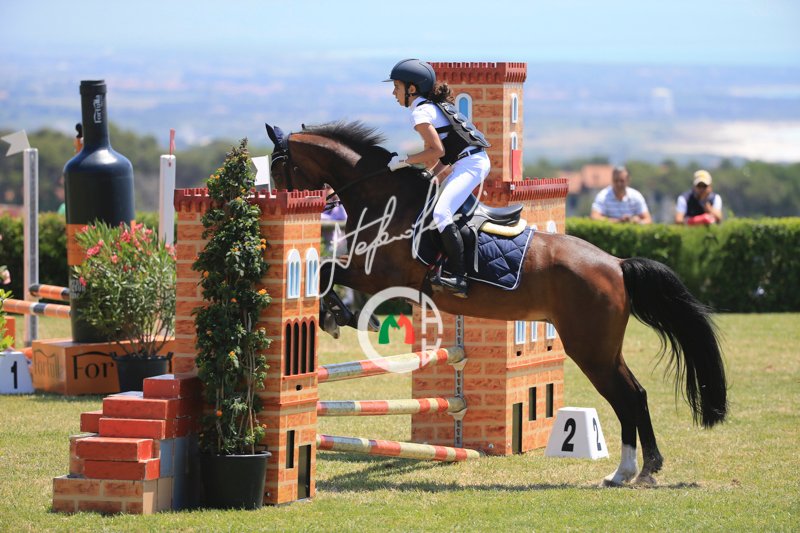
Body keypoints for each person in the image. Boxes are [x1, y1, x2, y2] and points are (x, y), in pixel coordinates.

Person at [384, 59, 491, 298]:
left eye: (397, 87)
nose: (393, 93)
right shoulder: (431, 107)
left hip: (471, 165)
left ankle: (460, 277)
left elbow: (436, 151)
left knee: (441, 213)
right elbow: (446, 154)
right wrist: (431, 175)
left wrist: (405, 161)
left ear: (412, 89)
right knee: (433, 205)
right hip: (467, 161)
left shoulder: (420, 112)